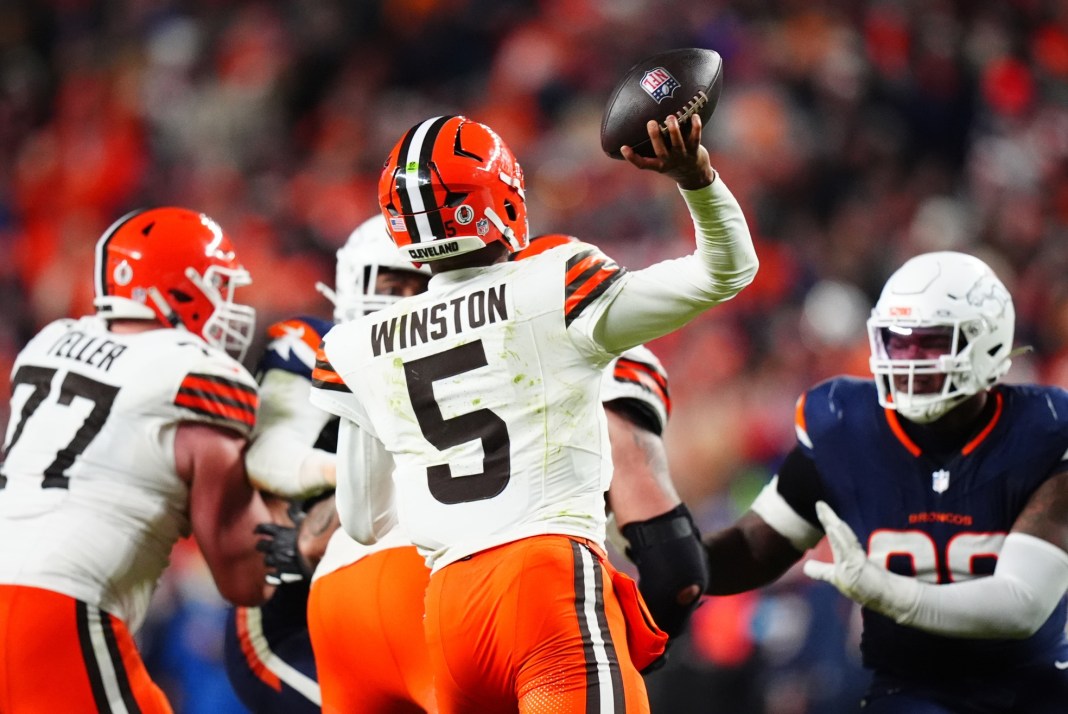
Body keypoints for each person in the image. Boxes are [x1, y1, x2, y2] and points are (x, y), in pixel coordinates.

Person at [309, 113, 757, 713]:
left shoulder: (356, 344)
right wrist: (696, 178)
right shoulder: (555, 282)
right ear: (500, 196)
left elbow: (363, 520)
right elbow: (727, 270)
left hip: (447, 612)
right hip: (543, 582)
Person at [701, 250, 1068, 713]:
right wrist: (668, 556)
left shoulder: (1045, 430)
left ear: (988, 343)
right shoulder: (844, 426)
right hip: (908, 691)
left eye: (931, 343)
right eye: (898, 342)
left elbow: (1021, 604)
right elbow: (756, 548)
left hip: (1029, 691)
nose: (910, 359)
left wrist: (888, 594)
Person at [0, 207, 277, 712]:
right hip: (58, 607)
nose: (230, 306)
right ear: (179, 287)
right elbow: (246, 576)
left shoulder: (48, 342)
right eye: (217, 285)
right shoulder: (195, 375)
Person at [222, 213, 431, 713]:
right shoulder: (315, 345)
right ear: (351, 283)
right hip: (292, 617)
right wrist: (354, 478)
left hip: (401, 609)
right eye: (390, 282)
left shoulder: (451, 366)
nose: (403, 300)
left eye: (417, 285)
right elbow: (269, 458)